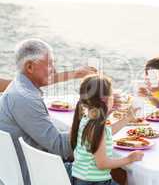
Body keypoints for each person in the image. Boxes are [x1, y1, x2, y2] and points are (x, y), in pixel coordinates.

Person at [0, 38, 96, 185]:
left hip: (20, 170)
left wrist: (76, 74)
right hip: (37, 176)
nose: (55, 69)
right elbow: (62, 148)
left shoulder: (19, 85)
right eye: (50, 64)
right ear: (30, 67)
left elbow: (45, 77)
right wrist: (94, 115)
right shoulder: (25, 99)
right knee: (106, 170)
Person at [70, 74, 144, 185]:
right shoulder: (96, 128)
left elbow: (107, 132)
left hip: (81, 179)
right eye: (112, 95)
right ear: (105, 100)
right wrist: (129, 159)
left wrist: (127, 118)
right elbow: (102, 163)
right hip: (94, 182)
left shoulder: (86, 120)